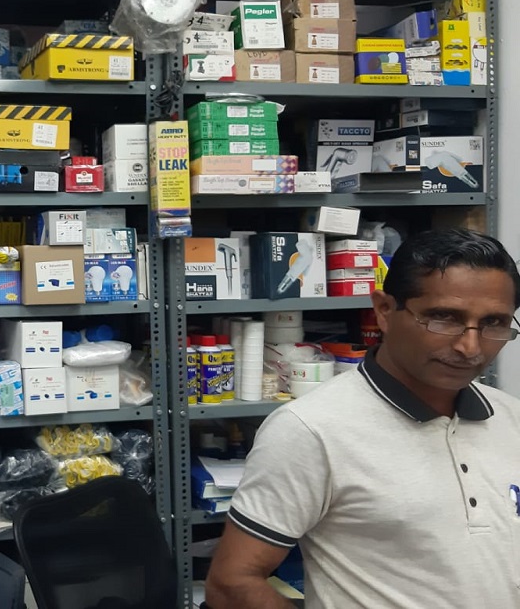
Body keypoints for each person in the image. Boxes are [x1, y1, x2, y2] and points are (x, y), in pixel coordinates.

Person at [205, 228, 520, 609]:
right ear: (384, 311)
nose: (470, 346)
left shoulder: (511, 419)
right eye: (443, 318)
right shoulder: (311, 431)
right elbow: (232, 584)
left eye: (493, 323)